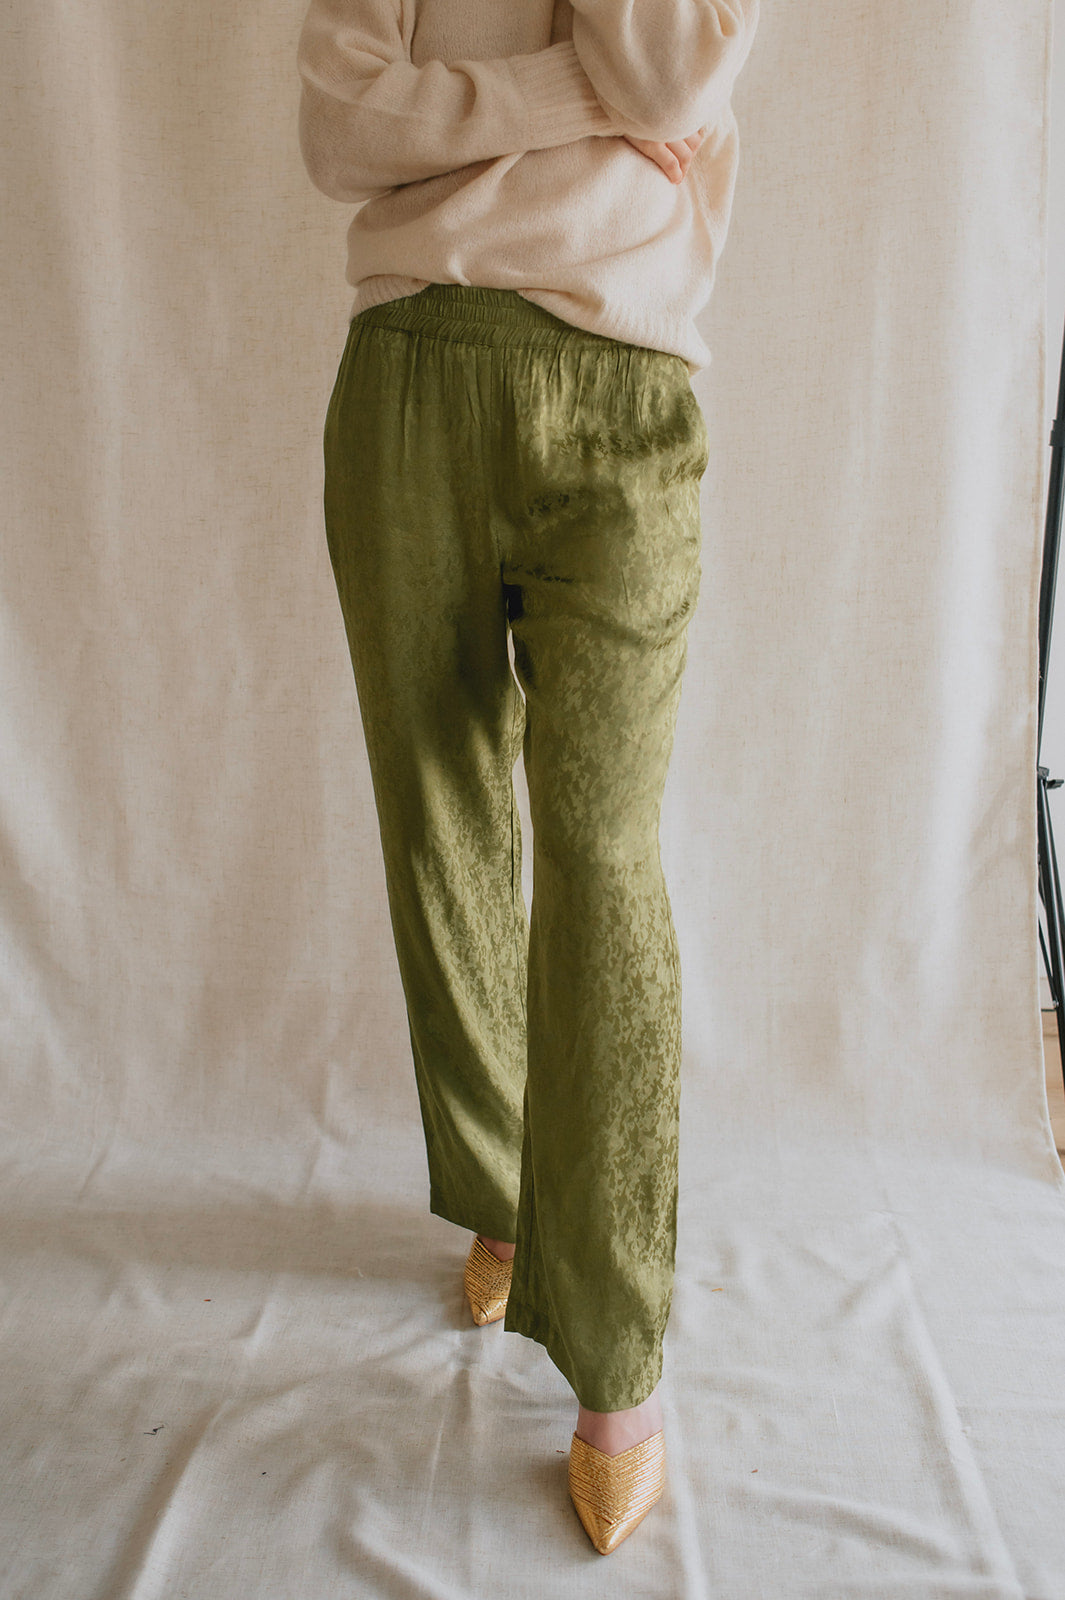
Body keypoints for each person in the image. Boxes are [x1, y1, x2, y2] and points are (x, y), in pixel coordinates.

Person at [296, 0, 760, 1556]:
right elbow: (341, 131)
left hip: (624, 399)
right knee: (438, 819)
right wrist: (584, 99)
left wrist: (469, 102)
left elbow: (675, 72)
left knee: (600, 848)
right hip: (408, 380)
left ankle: (617, 1357)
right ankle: (501, 1187)